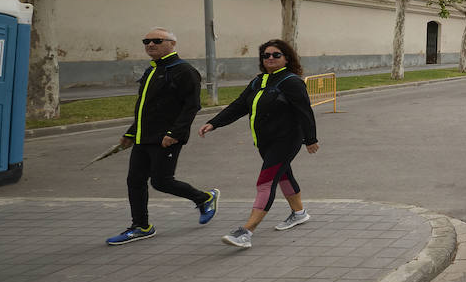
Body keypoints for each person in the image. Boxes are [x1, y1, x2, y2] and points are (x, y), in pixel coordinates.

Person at [200, 39, 319, 250]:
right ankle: (299, 213)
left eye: (276, 55)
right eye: (266, 55)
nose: (270, 58)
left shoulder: (291, 82)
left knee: (265, 182)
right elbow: (239, 106)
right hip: (264, 142)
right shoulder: (258, 81)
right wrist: (214, 123)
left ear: (287, 58)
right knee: (283, 175)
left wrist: (310, 139)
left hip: (285, 141)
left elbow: (304, 111)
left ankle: (246, 232)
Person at [106, 28, 217, 246]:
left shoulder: (184, 70)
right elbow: (144, 108)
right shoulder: (151, 71)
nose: (150, 44)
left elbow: (192, 106)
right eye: (146, 41)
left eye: (157, 40)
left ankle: (205, 198)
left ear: (172, 44)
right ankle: (141, 226)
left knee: (161, 181)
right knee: (134, 180)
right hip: (143, 137)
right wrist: (130, 132)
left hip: (167, 138)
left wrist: (174, 133)